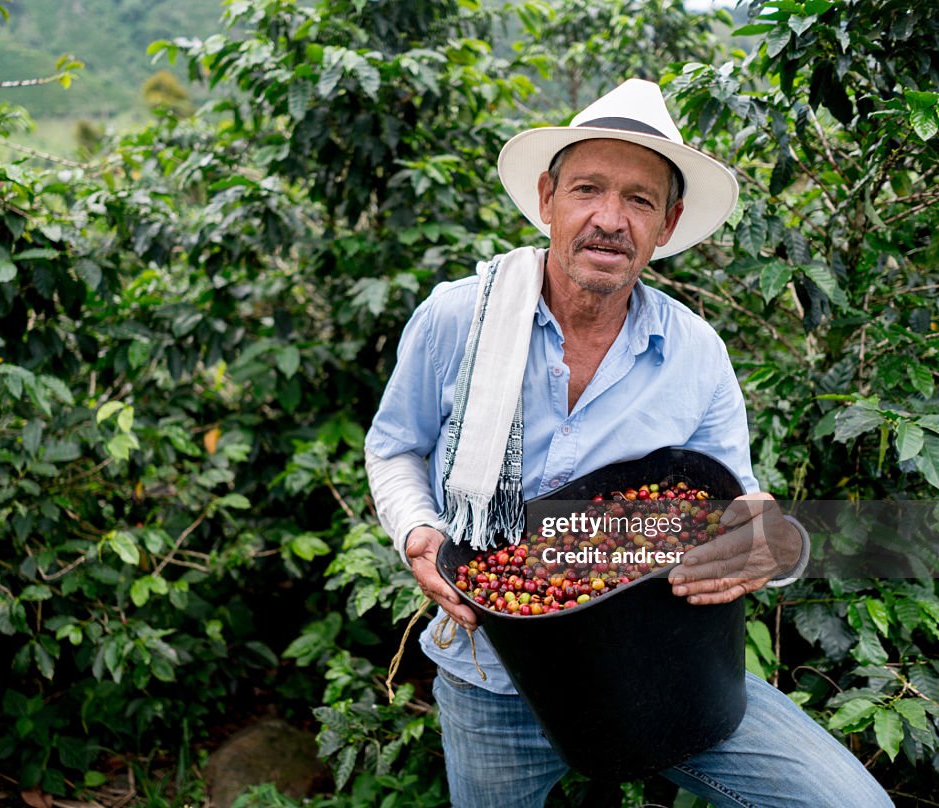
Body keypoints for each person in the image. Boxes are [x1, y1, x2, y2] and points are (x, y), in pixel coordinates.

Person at [364, 79, 892, 808]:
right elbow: (393, 446)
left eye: (639, 200)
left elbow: (733, 511)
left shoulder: (695, 353)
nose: (609, 219)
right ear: (548, 198)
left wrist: (767, 540)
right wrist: (418, 533)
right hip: (495, 671)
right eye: (588, 189)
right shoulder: (459, 320)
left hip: (660, 667)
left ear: (668, 224)